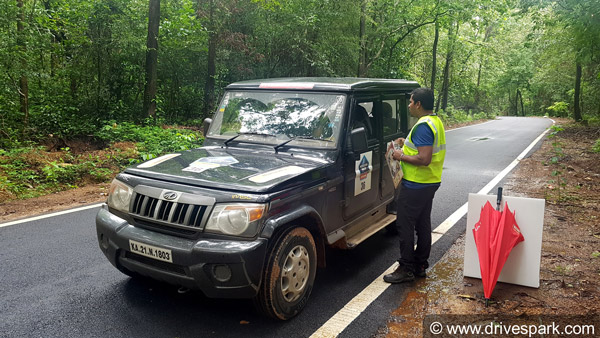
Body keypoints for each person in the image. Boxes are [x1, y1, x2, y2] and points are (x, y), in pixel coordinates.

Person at [383, 87, 446, 283]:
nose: (409, 105)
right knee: (423, 224)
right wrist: (404, 141)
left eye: (411, 102)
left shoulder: (423, 126)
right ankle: (420, 265)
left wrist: (400, 155)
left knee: (405, 224)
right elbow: (421, 147)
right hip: (429, 181)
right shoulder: (434, 121)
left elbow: (424, 157)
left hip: (417, 183)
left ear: (418, 104)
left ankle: (406, 267)